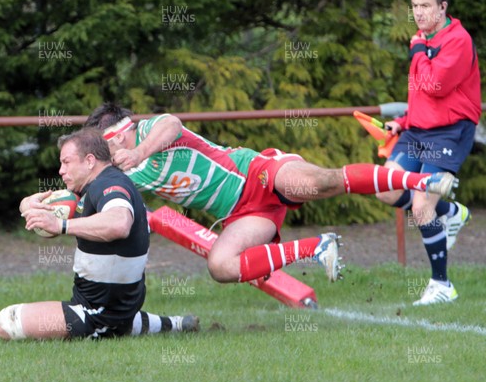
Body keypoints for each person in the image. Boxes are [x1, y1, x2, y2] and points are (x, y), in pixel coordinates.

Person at [84, 103, 458, 288]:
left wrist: (140, 151)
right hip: (242, 214)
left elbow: (172, 124)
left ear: (121, 131)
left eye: (106, 145)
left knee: (320, 184)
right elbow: (92, 194)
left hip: (257, 173)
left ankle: (420, 183)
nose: (107, 155)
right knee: (221, 267)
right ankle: (317, 246)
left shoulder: (150, 131)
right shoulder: (125, 173)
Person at [0, 129, 198, 341]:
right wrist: (27, 205)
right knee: (114, 317)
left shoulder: (109, 185)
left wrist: (61, 225)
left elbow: (119, 223)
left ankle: (114, 327)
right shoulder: (98, 185)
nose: (61, 171)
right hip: (118, 307)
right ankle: (172, 324)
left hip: (95, 312)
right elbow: (51, 218)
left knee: (6, 323)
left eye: (66, 162)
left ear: (90, 161)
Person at [375, 0, 480, 306]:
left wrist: (418, 50)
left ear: (443, 7)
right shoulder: (424, 40)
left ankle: (442, 284)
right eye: (415, 6)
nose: (418, 12)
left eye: (425, 6)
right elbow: (423, 95)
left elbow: (435, 86)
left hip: (450, 132)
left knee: (421, 206)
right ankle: (451, 213)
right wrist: (401, 122)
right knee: (385, 188)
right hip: (418, 130)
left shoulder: (457, 40)